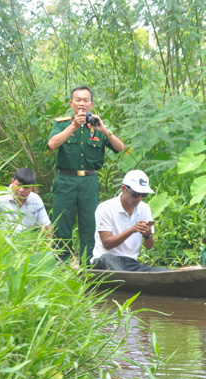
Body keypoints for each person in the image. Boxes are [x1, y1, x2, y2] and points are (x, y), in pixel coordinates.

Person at [47, 85, 125, 263]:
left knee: (89, 225)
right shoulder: (62, 124)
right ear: (71, 103)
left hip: (89, 181)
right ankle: (62, 265)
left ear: (91, 104)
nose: (82, 103)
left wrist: (105, 131)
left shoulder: (97, 126)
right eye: (78, 100)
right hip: (65, 179)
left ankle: (88, 267)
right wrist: (73, 126)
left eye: (86, 100)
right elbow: (52, 144)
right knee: (62, 225)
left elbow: (120, 148)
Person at [90, 170, 169, 272]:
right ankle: (126, 279)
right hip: (106, 260)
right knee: (108, 258)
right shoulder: (105, 208)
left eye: (143, 194)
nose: (139, 198)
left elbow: (149, 246)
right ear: (124, 189)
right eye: (135, 194)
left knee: (165, 273)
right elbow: (107, 243)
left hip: (130, 263)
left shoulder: (144, 208)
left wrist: (148, 235)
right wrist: (131, 230)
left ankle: (127, 279)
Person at [0, 167, 52, 236]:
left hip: (26, 244)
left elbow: (46, 228)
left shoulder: (36, 200)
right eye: (18, 185)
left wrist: (47, 245)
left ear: (32, 188)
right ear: (12, 182)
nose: (21, 190)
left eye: (26, 187)